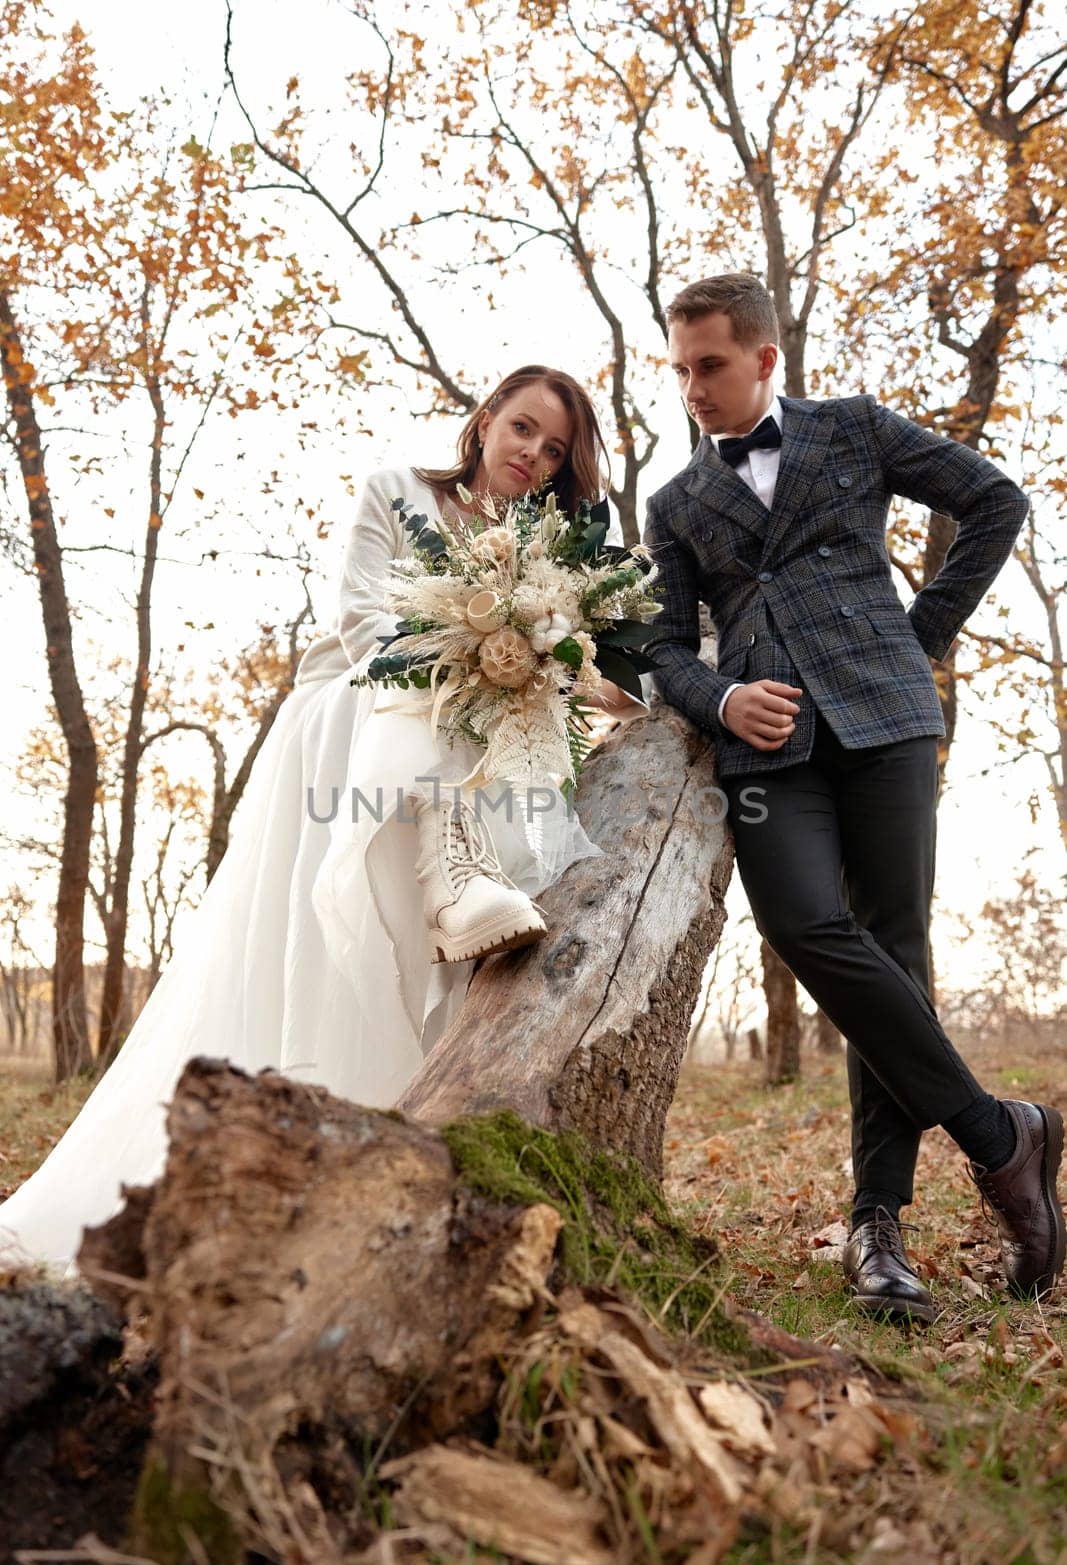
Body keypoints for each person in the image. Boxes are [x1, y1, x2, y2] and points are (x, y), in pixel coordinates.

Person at [0, 365, 646, 1277]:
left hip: (468, 746)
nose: (532, 455)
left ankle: (407, 1136)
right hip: (349, 718)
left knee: (499, 744)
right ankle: (451, 873)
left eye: (553, 450)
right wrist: (472, 652)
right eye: (522, 429)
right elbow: (357, 627)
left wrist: (573, 667)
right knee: (398, 702)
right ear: (485, 419)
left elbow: (581, 672)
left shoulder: (547, 552)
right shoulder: (397, 492)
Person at [644, 272, 1064, 1320]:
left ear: (762, 359)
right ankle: (996, 1135)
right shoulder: (674, 503)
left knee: (897, 945)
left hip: (884, 719)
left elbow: (992, 501)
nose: (694, 387)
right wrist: (719, 696)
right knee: (805, 928)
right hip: (765, 748)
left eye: (710, 365)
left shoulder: (853, 429)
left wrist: (913, 640)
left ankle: (877, 1225)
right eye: (681, 369)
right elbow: (655, 642)